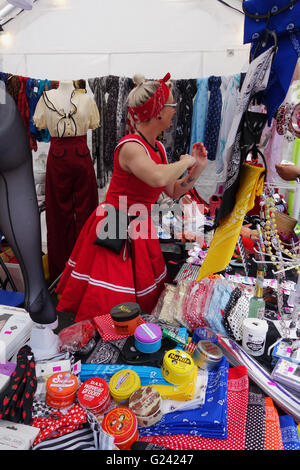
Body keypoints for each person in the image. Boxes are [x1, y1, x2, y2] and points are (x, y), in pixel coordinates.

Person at [55, 72, 207, 322]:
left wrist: (197, 166)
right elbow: (158, 178)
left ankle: (128, 338)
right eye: (172, 106)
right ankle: (100, 341)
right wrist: (187, 161)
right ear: (158, 111)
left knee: (137, 295)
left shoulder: (157, 148)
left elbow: (172, 190)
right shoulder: (130, 147)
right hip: (116, 223)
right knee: (110, 298)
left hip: (138, 225)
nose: (175, 111)